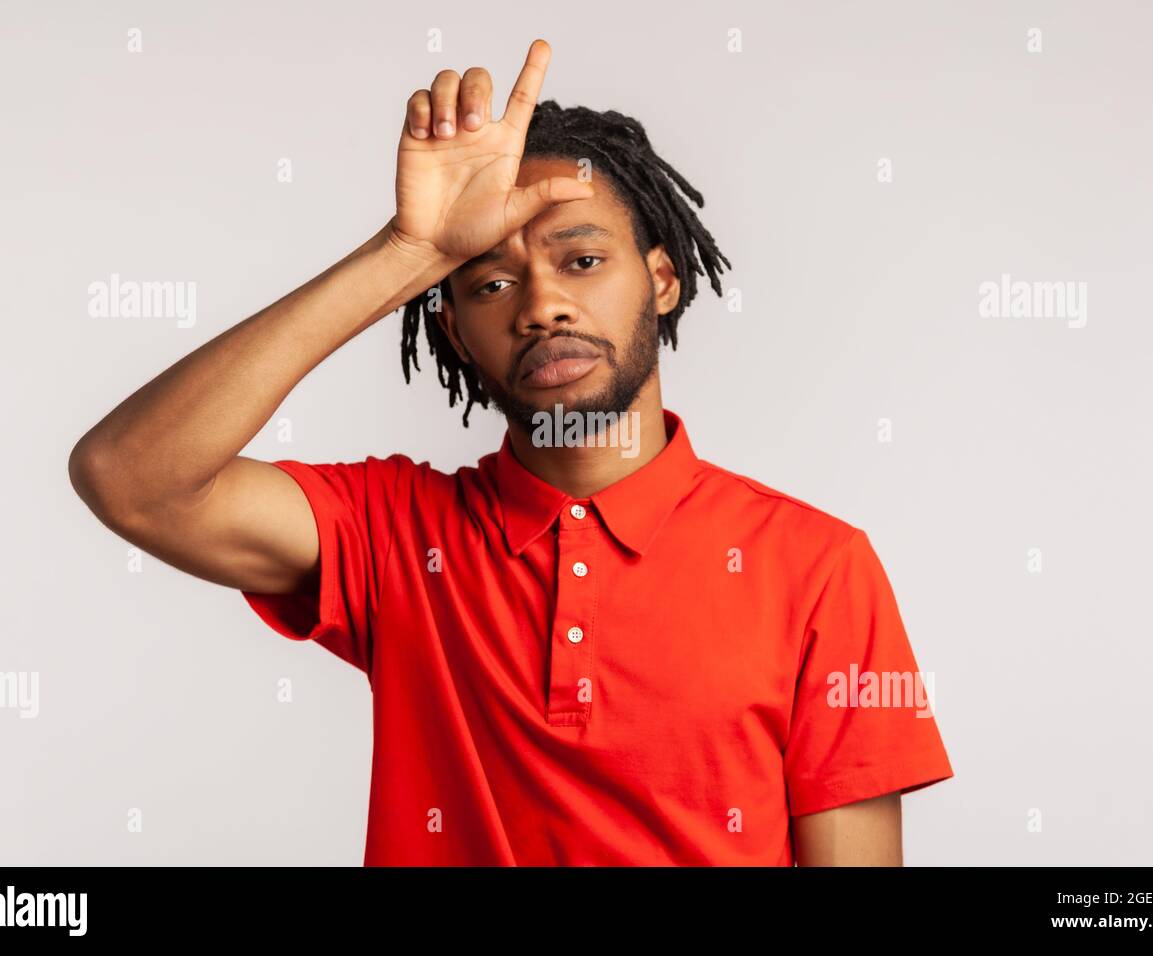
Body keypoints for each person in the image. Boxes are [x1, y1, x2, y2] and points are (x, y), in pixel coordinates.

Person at [69, 38, 953, 866]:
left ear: (661, 278)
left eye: (581, 261)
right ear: (452, 331)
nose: (541, 306)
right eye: (491, 282)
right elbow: (132, 477)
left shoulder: (820, 567)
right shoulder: (392, 534)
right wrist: (406, 252)